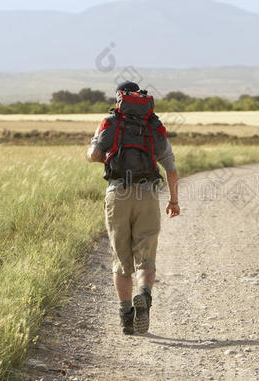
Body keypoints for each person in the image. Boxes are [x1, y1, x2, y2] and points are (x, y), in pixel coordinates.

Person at [86, 81, 180, 335]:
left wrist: (101, 153)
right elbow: (171, 170)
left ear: (118, 98)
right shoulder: (153, 126)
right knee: (146, 254)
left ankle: (126, 317)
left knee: (121, 258)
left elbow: (94, 155)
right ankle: (145, 296)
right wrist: (174, 201)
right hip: (148, 194)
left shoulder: (110, 123)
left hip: (118, 193)